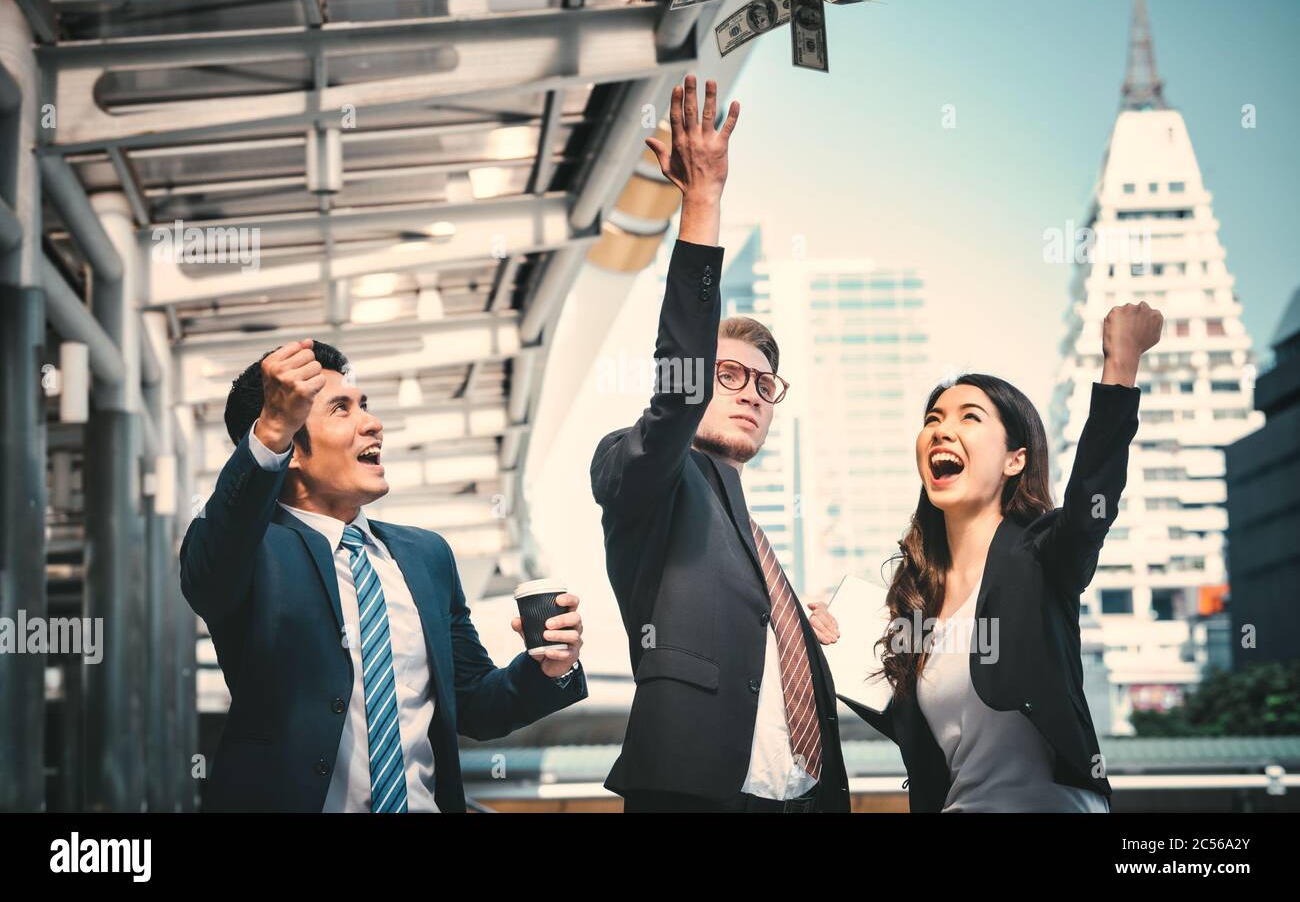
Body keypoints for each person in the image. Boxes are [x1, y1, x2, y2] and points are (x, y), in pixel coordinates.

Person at [590, 74, 850, 813]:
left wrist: (799, 625)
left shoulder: (749, 534)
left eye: (766, 385)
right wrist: (700, 202)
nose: (750, 392)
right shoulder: (640, 469)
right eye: (727, 373)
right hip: (694, 793)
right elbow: (674, 398)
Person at [181, 339, 587, 811]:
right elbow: (208, 571)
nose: (372, 424)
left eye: (364, 406)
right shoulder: (249, 549)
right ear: (290, 448)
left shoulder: (426, 556)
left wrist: (547, 671)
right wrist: (271, 427)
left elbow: (475, 703)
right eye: (340, 409)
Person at [811, 302, 1163, 812]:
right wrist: (832, 651)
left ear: (1015, 459)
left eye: (968, 417)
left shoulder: (1043, 557)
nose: (941, 430)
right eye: (933, 419)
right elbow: (915, 731)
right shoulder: (914, 604)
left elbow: (1092, 500)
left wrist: (1121, 363)